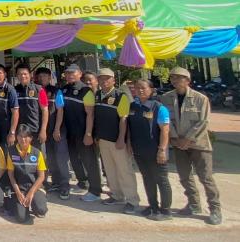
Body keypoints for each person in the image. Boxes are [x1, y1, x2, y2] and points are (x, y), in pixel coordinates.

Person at [160, 67, 222, 225]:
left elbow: (203, 122)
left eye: (179, 78)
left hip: (199, 144)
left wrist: (187, 139)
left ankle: (215, 209)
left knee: (206, 178)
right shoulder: (166, 98)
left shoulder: (200, 98)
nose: (175, 81)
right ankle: (194, 204)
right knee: (185, 176)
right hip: (178, 144)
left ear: (188, 81)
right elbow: (167, 120)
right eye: (173, 78)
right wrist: (175, 138)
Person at [93, 68, 138, 214]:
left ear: (113, 80)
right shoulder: (97, 95)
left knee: (124, 170)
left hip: (117, 140)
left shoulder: (121, 96)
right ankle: (117, 195)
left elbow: (124, 118)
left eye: (107, 78)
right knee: (110, 170)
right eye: (101, 78)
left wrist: (121, 138)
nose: (103, 81)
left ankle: (132, 200)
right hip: (103, 139)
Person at [128, 80, 172, 221]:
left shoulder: (159, 108)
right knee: (147, 179)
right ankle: (153, 206)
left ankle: (165, 211)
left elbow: (165, 131)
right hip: (140, 150)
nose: (140, 90)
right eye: (137, 88)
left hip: (156, 151)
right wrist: (129, 144)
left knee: (161, 180)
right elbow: (130, 128)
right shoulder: (133, 106)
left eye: (143, 88)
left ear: (151, 89)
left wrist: (162, 150)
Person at [62, 64, 101, 202]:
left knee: (89, 161)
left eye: (73, 73)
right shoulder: (65, 89)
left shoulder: (86, 91)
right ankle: (83, 182)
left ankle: (95, 190)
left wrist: (88, 134)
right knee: (74, 159)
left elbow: (90, 115)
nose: (70, 75)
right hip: (69, 133)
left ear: (80, 74)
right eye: (67, 73)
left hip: (83, 132)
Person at [35, 67, 70, 200]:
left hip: (57, 130)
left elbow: (60, 111)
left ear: (50, 77)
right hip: (44, 131)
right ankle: (55, 182)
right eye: (40, 76)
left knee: (61, 158)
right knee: (49, 158)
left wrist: (57, 128)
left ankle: (64, 185)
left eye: (45, 76)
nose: (42, 78)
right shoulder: (36, 90)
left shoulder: (57, 91)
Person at [6, 125, 48, 224]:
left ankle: (36, 203)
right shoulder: (11, 151)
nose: (23, 139)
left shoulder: (37, 153)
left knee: (41, 210)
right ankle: (20, 204)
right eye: (20, 136)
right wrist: (18, 192)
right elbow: (10, 174)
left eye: (26, 136)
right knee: (21, 218)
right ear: (17, 137)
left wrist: (31, 193)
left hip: (34, 187)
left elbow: (41, 176)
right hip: (19, 187)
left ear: (31, 138)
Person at [14, 64, 48, 148]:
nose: (23, 76)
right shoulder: (13, 90)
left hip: (35, 131)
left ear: (30, 74)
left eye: (25, 73)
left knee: (39, 157)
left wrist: (43, 130)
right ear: (17, 76)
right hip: (20, 131)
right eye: (20, 74)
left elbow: (45, 110)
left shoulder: (39, 89)